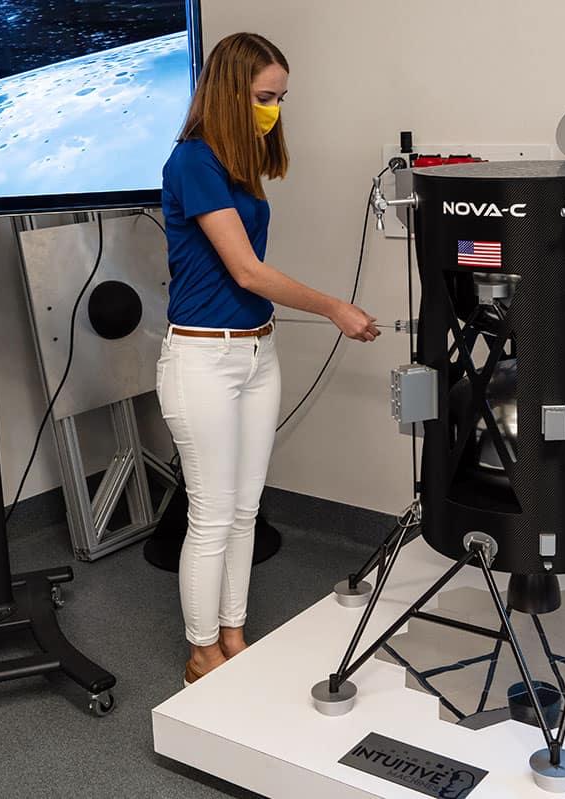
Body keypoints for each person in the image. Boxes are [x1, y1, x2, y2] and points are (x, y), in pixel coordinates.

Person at [156, 32, 380, 687]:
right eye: (263, 97)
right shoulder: (192, 163)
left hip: (257, 352)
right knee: (212, 511)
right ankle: (201, 650)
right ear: (230, 91)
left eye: (280, 98)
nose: (273, 110)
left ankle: (232, 633)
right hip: (202, 359)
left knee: (247, 508)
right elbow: (248, 272)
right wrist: (336, 307)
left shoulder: (237, 164)